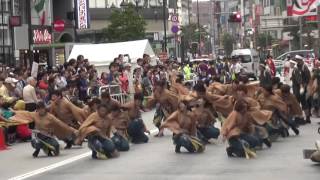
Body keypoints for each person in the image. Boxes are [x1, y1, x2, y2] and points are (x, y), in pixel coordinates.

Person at [11, 102, 77, 157]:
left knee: (56, 146)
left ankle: (49, 149)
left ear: (45, 109)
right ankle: (38, 149)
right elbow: (25, 113)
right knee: (37, 143)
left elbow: (60, 124)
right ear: (37, 110)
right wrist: (14, 111)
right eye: (39, 109)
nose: (41, 110)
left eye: (42, 109)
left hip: (48, 136)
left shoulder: (50, 117)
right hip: (38, 136)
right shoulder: (35, 115)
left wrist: (73, 130)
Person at [291, 55, 312, 123]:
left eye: (297, 60)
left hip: (300, 88)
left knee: (299, 103)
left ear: (300, 60)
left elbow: (306, 78)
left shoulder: (302, 67)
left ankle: (301, 118)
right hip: (300, 87)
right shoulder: (301, 67)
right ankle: (306, 118)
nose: (296, 61)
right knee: (303, 103)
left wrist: (303, 87)